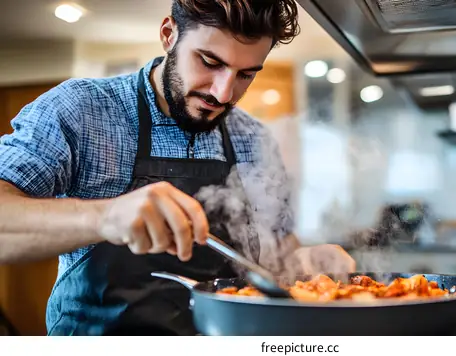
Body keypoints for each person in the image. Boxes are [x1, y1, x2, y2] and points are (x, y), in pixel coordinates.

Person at [0, 0, 355, 336]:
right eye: (209, 62)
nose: (224, 93)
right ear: (169, 34)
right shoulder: (81, 109)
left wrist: (302, 262)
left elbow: (279, 248)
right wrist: (103, 218)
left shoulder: (253, 137)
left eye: (246, 74)